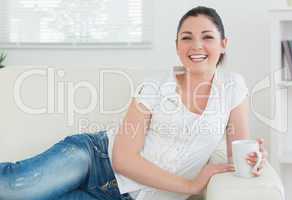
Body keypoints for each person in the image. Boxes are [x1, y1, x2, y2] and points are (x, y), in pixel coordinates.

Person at [0, 6, 268, 200]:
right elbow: (123, 159)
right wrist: (190, 186)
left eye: (207, 37)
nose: (196, 45)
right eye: (187, 37)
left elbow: (239, 155)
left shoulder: (233, 87)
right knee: (13, 187)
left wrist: (255, 158)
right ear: (177, 46)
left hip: (124, 197)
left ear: (223, 44)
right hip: (95, 158)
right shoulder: (156, 85)